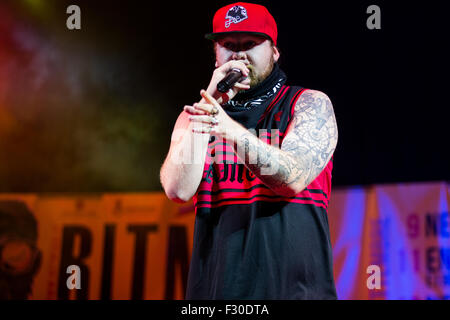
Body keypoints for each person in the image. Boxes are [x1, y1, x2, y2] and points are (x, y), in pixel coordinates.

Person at [160, 2, 338, 299]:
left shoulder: (308, 104)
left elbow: (291, 177)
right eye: (228, 44)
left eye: (251, 43)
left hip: (296, 292)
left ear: (275, 52)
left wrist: (227, 128)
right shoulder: (196, 117)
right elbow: (178, 189)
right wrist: (209, 104)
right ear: (216, 55)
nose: (239, 54)